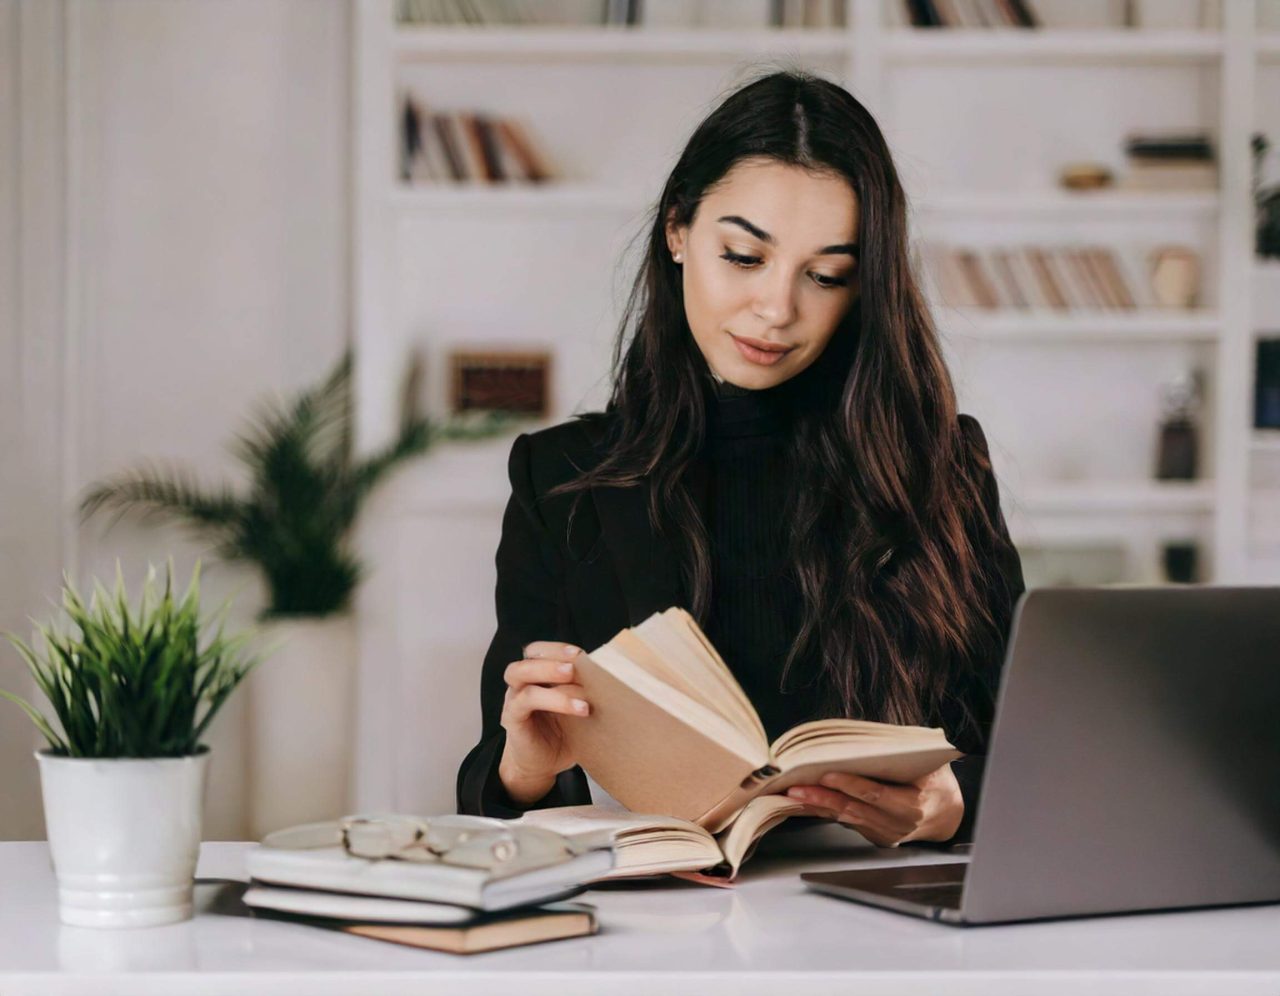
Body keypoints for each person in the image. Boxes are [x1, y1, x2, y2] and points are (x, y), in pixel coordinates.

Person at [456, 68, 1024, 848]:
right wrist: (527, 765)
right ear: (679, 231)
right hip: (663, 931)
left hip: (885, 917)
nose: (778, 309)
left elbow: (1027, 754)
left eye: (827, 275)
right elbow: (496, 798)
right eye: (745, 257)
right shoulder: (562, 479)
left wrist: (947, 804)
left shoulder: (940, 465)